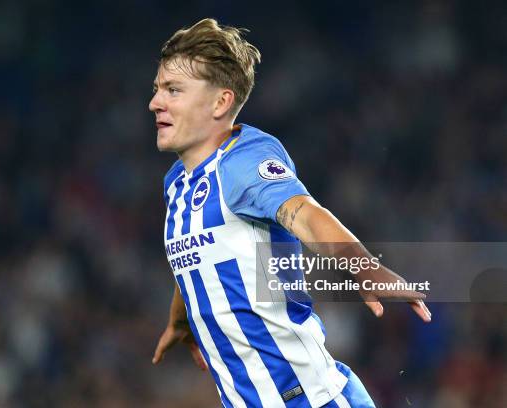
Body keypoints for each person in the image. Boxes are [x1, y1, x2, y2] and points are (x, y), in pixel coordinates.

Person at [149, 18, 431, 408]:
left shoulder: (244, 162)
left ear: (220, 102)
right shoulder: (176, 182)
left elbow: (306, 215)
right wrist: (182, 322)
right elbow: (198, 255)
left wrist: (364, 267)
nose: (156, 102)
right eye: (158, 89)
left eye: (173, 90)